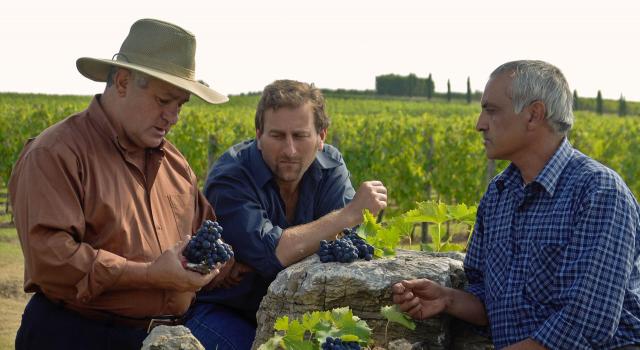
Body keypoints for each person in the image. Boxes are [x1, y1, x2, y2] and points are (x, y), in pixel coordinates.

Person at [9, 18, 233, 350]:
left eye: (180, 105)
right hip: (75, 336)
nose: (173, 117)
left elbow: (208, 238)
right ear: (124, 81)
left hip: (165, 339)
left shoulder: (176, 165)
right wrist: (150, 275)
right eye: (163, 100)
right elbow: (51, 260)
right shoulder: (56, 153)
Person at [392, 60, 640, 349]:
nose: (479, 124)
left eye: (491, 110)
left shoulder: (598, 192)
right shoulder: (498, 195)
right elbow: (491, 301)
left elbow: (584, 324)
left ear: (534, 115)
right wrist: (447, 299)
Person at [187, 79, 388, 349]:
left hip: (295, 312)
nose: (290, 150)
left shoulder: (329, 165)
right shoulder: (231, 178)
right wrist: (347, 215)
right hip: (227, 312)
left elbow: (346, 245)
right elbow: (275, 254)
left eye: (301, 136)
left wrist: (323, 234)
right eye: (277, 136)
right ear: (259, 135)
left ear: (321, 137)